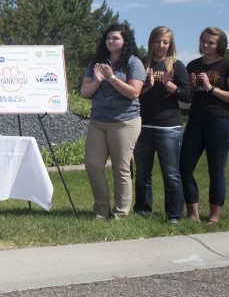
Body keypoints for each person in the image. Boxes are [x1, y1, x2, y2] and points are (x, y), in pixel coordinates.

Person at [79, 24, 145, 219]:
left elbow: (134, 92)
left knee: (120, 168)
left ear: (125, 41)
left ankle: (120, 214)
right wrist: (98, 79)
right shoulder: (96, 63)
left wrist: (112, 77)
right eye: (108, 38)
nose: (110, 41)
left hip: (125, 121)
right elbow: (84, 92)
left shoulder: (133, 63)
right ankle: (101, 210)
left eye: (115, 38)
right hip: (98, 121)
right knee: (92, 164)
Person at [179, 27, 229, 224]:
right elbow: (187, 97)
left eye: (211, 42)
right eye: (203, 41)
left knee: (216, 170)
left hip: (221, 121)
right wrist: (189, 86)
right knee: (184, 167)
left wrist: (210, 87)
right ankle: (193, 215)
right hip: (196, 120)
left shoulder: (228, 66)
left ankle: (214, 217)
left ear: (219, 45)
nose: (205, 45)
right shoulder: (192, 65)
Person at [133, 26, 190, 224]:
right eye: (158, 41)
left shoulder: (176, 65)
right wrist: (148, 85)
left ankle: (174, 215)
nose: (161, 45)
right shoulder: (141, 63)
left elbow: (187, 96)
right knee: (142, 174)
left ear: (170, 44)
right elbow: (133, 94)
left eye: (165, 42)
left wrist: (167, 83)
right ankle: (142, 210)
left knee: (171, 174)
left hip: (168, 127)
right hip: (143, 125)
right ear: (151, 42)